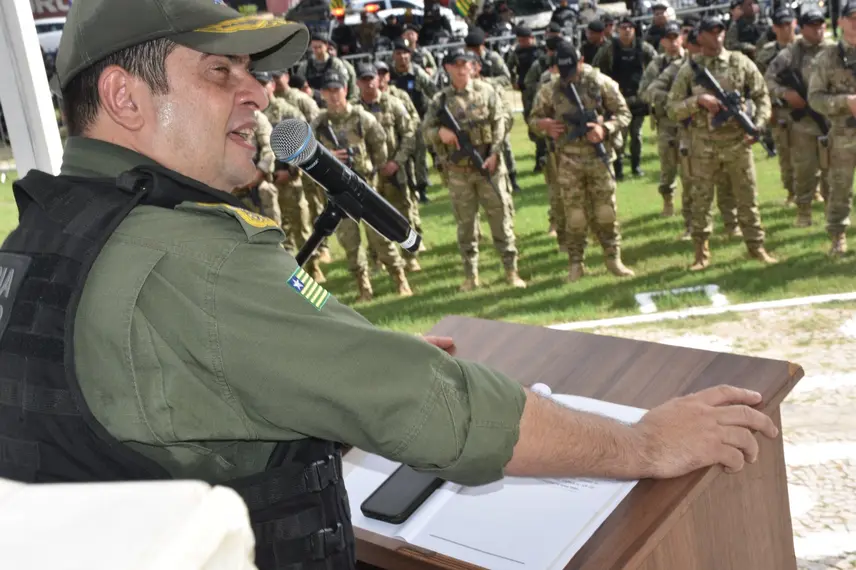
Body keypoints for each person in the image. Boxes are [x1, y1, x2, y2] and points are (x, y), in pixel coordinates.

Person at [1, 2, 781, 569]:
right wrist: (645, 442)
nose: (259, 94)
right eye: (219, 71)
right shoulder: (191, 256)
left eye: (252, 72)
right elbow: (434, 408)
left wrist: (336, 372)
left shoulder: (42, 236)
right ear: (125, 97)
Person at [667, 16, 777, 270]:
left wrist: (758, 125)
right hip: (703, 146)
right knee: (701, 201)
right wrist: (698, 101)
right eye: (711, 32)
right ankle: (701, 253)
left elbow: (762, 96)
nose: (717, 36)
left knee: (747, 197)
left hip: (738, 143)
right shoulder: (690, 70)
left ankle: (756, 247)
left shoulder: (740, 62)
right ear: (700, 36)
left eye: (720, 31)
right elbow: (671, 108)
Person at [529, 41, 635, 282]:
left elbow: (624, 113)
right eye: (562, 71)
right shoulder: (549, 90)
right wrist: (544, 126)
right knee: (574, 215)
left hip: (598, 157)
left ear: (581, 61)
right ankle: (576, 263)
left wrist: (605, 129)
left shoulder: (600, 82)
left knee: (606, 211)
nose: (567, 76)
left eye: (571, 70)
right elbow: (533, 120)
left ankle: (613, 258)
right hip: (567, 159)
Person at [423, 49, 527, 291]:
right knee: (466, 225)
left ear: (472, 67)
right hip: (459, 172)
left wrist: (495, 153)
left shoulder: (487, 92)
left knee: (501, 220)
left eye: (465, 64)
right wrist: (439, 133)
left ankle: (511, 271)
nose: (462, 69)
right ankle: (471, 276)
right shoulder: (440, 101)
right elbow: (425, 131)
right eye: (456, 64)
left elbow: (500, 122)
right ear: (448, 68)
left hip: (489, 167)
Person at [312, 71, 413, 301]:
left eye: (337, 90)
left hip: (365, 188)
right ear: (323, 94)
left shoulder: (361, 117)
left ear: (345, 90)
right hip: (338, 194)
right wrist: (328, 157)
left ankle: (400, 279)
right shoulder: (318, 124)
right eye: (328, 91)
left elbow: (380, 144)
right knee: (350, 243)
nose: (333, 96)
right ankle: (363, 287)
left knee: (381, 237)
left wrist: (372, 169)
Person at [765, 7, 832, 227]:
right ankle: (804, 211)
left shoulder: (835, 50)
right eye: (812, 26)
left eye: (820, 25)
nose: (817, 30)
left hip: (830, 119)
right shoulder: (791, 53)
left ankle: (833, 212)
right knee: (804, 169)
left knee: (832, 169)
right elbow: (768, 80)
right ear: (801, 29)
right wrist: (786, 94)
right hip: (803, 123)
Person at [355, 62, 422, 273]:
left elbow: (409, 134)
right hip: (368, 174)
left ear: (378, 80)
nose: (369, 83)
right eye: (364, 80)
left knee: (403, 215)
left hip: (395, 171)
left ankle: (409, 257)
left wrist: (397, 162)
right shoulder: (353, 110)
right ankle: (378, 258)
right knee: (372, 218)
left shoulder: (393, 104)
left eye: (371, 78)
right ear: (357, 83)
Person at [807, 0, 856, 256]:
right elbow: (815, 98)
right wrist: (845, 102)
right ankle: (838, 236)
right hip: (842, 135)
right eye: (853, 18)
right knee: (839, 188)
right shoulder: (827, 57)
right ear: (840, 22)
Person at [593, 17, 658, 179]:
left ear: (634, 30)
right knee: (619, 135)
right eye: (623, 27)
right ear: (618, 30)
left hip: (638, 98)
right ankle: (619, 168)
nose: (627, 30)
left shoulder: (643, 47)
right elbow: (596, 68)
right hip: (617, 99)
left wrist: (649, 88)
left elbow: (657, 65)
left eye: (630, 27)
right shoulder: (610, 48)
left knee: (636, 134)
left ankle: (636, 166)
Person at [639, 21, 685, 217]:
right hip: (666, 122)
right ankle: (668, 201)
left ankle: (692, 204)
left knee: (693, 164)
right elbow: (644, 92)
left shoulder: (692, 60)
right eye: (669, 39)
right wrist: (668, 98)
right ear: (663, 42)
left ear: (681, 38)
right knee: (668, 165)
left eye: (676, 37)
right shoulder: (656, 65)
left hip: (690, 121)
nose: (673, 42)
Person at [756, 7, 798, 205]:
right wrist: (768, 108)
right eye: (781, 25)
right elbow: (760, 84)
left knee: (812, 151)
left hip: (806, 107)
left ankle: (814, 190)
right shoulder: (766, 52)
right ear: (774, 28)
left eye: (788, 24)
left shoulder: (806, 47)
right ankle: (791, 191)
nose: (785, 29)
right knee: (785, 151)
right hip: (780, 108)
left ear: (795, 24)